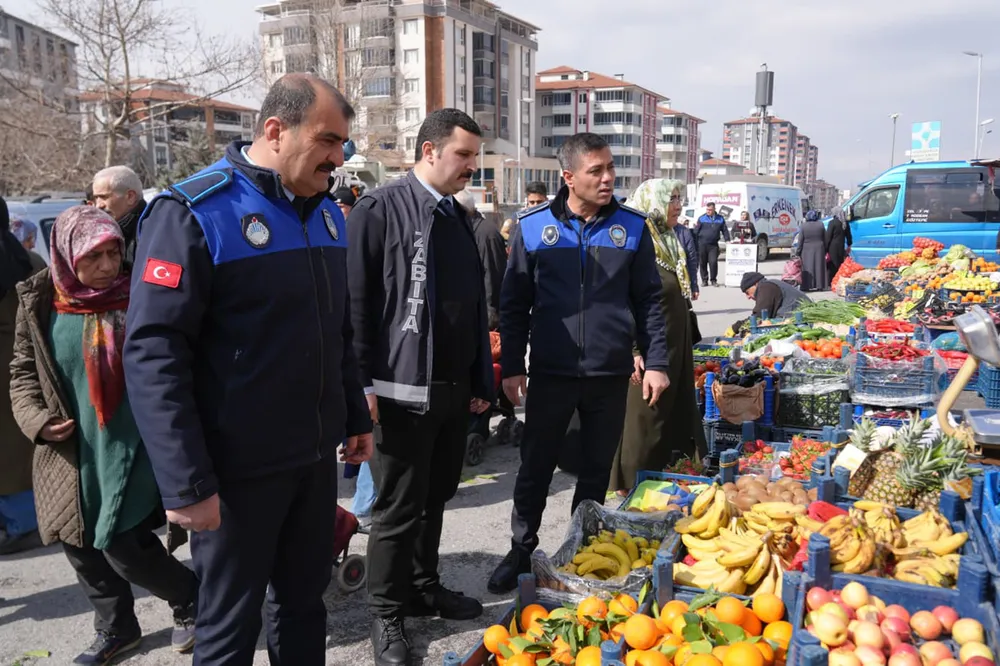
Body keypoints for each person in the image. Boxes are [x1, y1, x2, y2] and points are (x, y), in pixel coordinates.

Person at [123, 73, 373, 666]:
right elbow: (154, 353)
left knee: (304, 607)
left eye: (343, 144)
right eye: (329, 141)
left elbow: (335, 331)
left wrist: (353, 413)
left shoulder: (328, 214)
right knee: (230, 624)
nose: (340, 157)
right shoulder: (194, 212)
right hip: (235, 475)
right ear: (275, 131)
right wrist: (186, 483)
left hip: (312, 461)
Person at [10, 206, 199, 663]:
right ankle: (116, 629)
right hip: (72, 449)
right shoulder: (39, 301)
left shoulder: (141, 293)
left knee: (122, 542)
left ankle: (190, 597)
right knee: (80, 546)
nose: (108, 266)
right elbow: (21, 373)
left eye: (114, 253)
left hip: (133, 442)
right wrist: (36, 421)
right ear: (67, 255)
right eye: (94, 256)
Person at [488, 132, 669, 593]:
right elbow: (514, 306)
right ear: (568, 177)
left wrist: (658, 361)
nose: (608, 178)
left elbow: (650, 301)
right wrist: (512, 367)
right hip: (551, 373)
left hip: (610, 375)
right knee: (535, 465)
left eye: (610, 168)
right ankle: (521, 550)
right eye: (597, 171)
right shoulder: (531, 228)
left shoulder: (631, 228)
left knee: (595, 470)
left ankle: (578, 552)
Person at [347, 108, 494, 666]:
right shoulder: (379, 209)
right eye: (463, 156)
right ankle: (387, 612)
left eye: (474, 157)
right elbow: (356, 305)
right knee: (398, 507)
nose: (471, 168)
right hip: (399, 390)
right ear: (429, 151)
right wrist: (360, 385)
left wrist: (481, 379)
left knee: (436, 497)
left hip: (453, 390)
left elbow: (473, 309)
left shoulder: (458, 219)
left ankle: (421, 585)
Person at [611, 180, 705, 493]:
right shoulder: (635, 241)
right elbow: (622, 300)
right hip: (648, 349)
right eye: (671, 198)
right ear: (653, 202)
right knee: (645, 418)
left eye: (679, 198)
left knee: (670, 414)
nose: (678, 205)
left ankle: (664, 478)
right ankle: (630, 485)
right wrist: (634, 349)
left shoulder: (669, 240)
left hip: (674, 347)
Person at [0, 197, 46, 556]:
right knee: (20, 445)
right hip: (26, 364)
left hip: (11, 366)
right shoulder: (27, 260)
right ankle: (26, 519)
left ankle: (20, 524)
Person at [455, 187, 508, 329]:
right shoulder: (464, 231)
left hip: (484, 321)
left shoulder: (485, 234)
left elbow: (492, 278)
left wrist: (489, 320)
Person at [91, 166, 146, 269]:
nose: (98, 205)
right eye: (96, 198)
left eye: (104, 197)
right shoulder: (110, 230)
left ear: (130, 197)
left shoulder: (151, 230)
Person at [739, 271, 811, 320]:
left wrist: (737, 327)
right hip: (795, 317)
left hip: (801, 320)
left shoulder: (766, 287)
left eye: (747, 292)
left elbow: (758, 316)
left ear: (755, 284)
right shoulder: (768, 284)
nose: (748, 297)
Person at [693, 201, 729, 286]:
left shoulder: (720, 218)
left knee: (713, 262)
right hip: (702, 244)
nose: (708, 211)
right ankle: (704, 280)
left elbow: (724, 230)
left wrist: (727, 239)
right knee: (703, 262)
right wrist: (695, 243)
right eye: (707, 209)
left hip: (713, 245)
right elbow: (696, 231)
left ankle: (713, 280)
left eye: (710, 210)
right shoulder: (702, 218)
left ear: (714, 209)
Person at [799, 209, 828, 291]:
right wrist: (825, 249)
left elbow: (800, 240)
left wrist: (798, 252)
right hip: (819, 248)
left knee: (808, 267)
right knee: (819, 267)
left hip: (806, 249)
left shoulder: (804, 226)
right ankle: (820, 285)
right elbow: (825, 238)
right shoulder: (820, 224)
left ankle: (807, 286)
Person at [825, 208, 852, 277]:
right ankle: (838, 279)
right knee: (839, 264)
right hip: (841, 247)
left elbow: (828, 237)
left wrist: (825, 248)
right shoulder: (845, 223)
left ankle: (830, 282)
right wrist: (849, 245)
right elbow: (849, 235)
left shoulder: (832, 223)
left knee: (832, 265)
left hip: (832, 248)